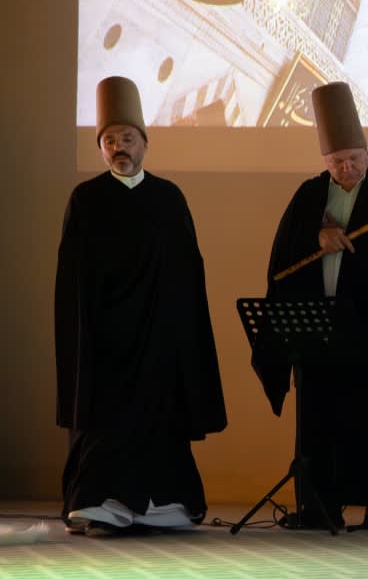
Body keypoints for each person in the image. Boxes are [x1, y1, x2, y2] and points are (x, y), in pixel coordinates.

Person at [55, 76, 227, 536]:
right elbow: (73, 281)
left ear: (144, 143)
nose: (119, 148)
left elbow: (188, 275)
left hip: (158, 344)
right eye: (110, 140)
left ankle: (155, 507)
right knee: (105, 430)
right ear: (101, 148)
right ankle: (101, 505)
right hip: (107, 345)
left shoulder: (169, 199)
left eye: (127, 139)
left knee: (158, 427)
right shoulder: (86, 200)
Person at [261, 81, 368, 529]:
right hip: (320, 331)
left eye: (354, 158)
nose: (347, 168)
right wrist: (317, 238)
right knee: (320, 416)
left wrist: (353, 250)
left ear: (367, 152)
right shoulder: (309, 196)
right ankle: (319, 506)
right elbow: (283, 255)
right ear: (324, 160)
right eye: (336, 161)